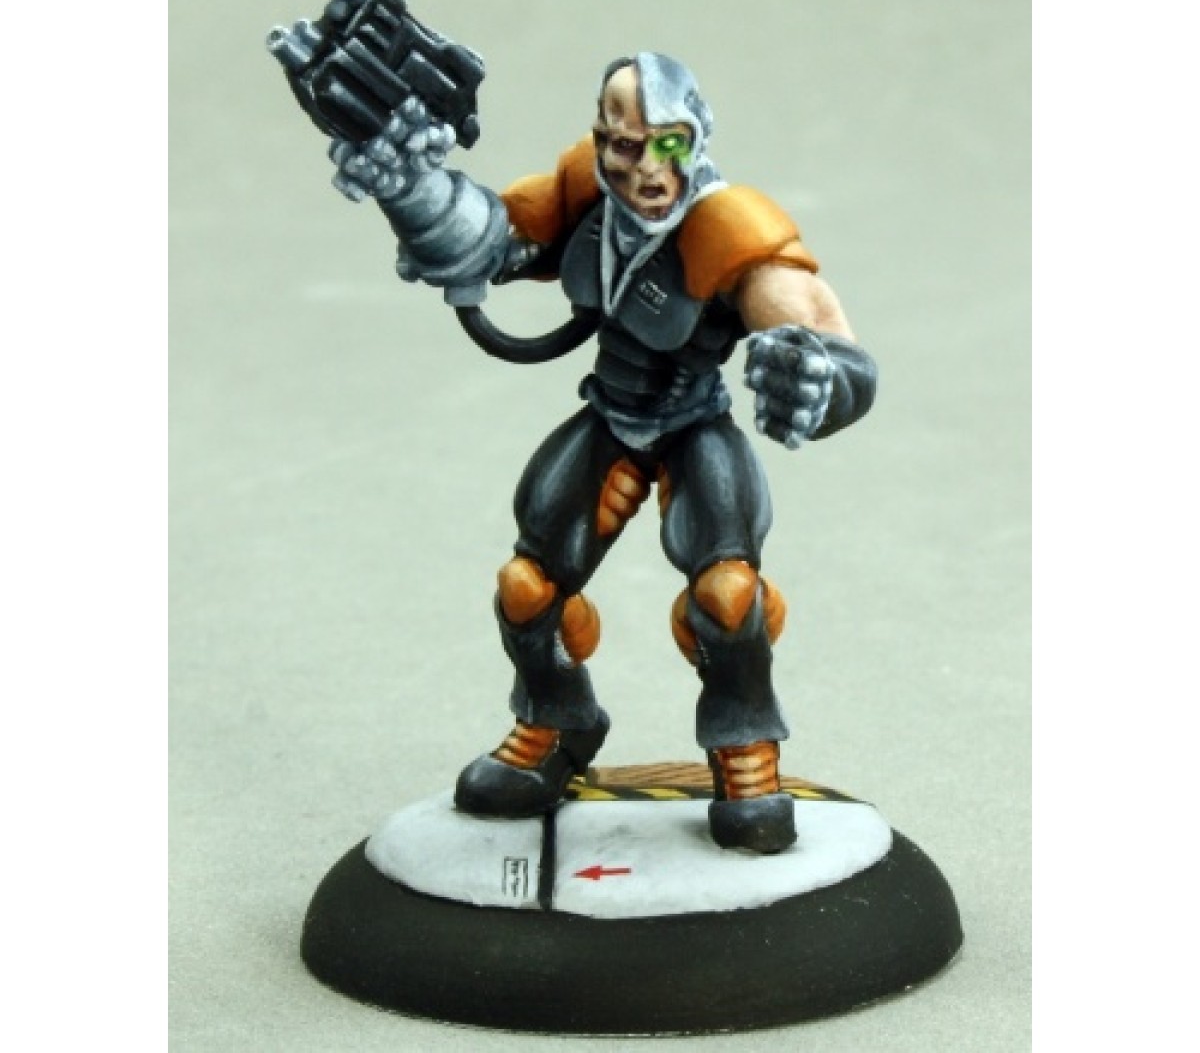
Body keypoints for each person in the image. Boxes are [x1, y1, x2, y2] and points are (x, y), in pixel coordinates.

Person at [328, 53, 877, 853]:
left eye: (670, 144)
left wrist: (817, 376)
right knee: (527, 588)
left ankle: (746, 747)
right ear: (602, 141)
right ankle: (557, 722)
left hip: (693, 424)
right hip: (612, 417)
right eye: (626, 146)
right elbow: (493, 238)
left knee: (728, 595)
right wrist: (411, 185)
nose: (648, 168)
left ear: (698, 137)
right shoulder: (586, 190)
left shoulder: (726, 225)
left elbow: (817, 324)